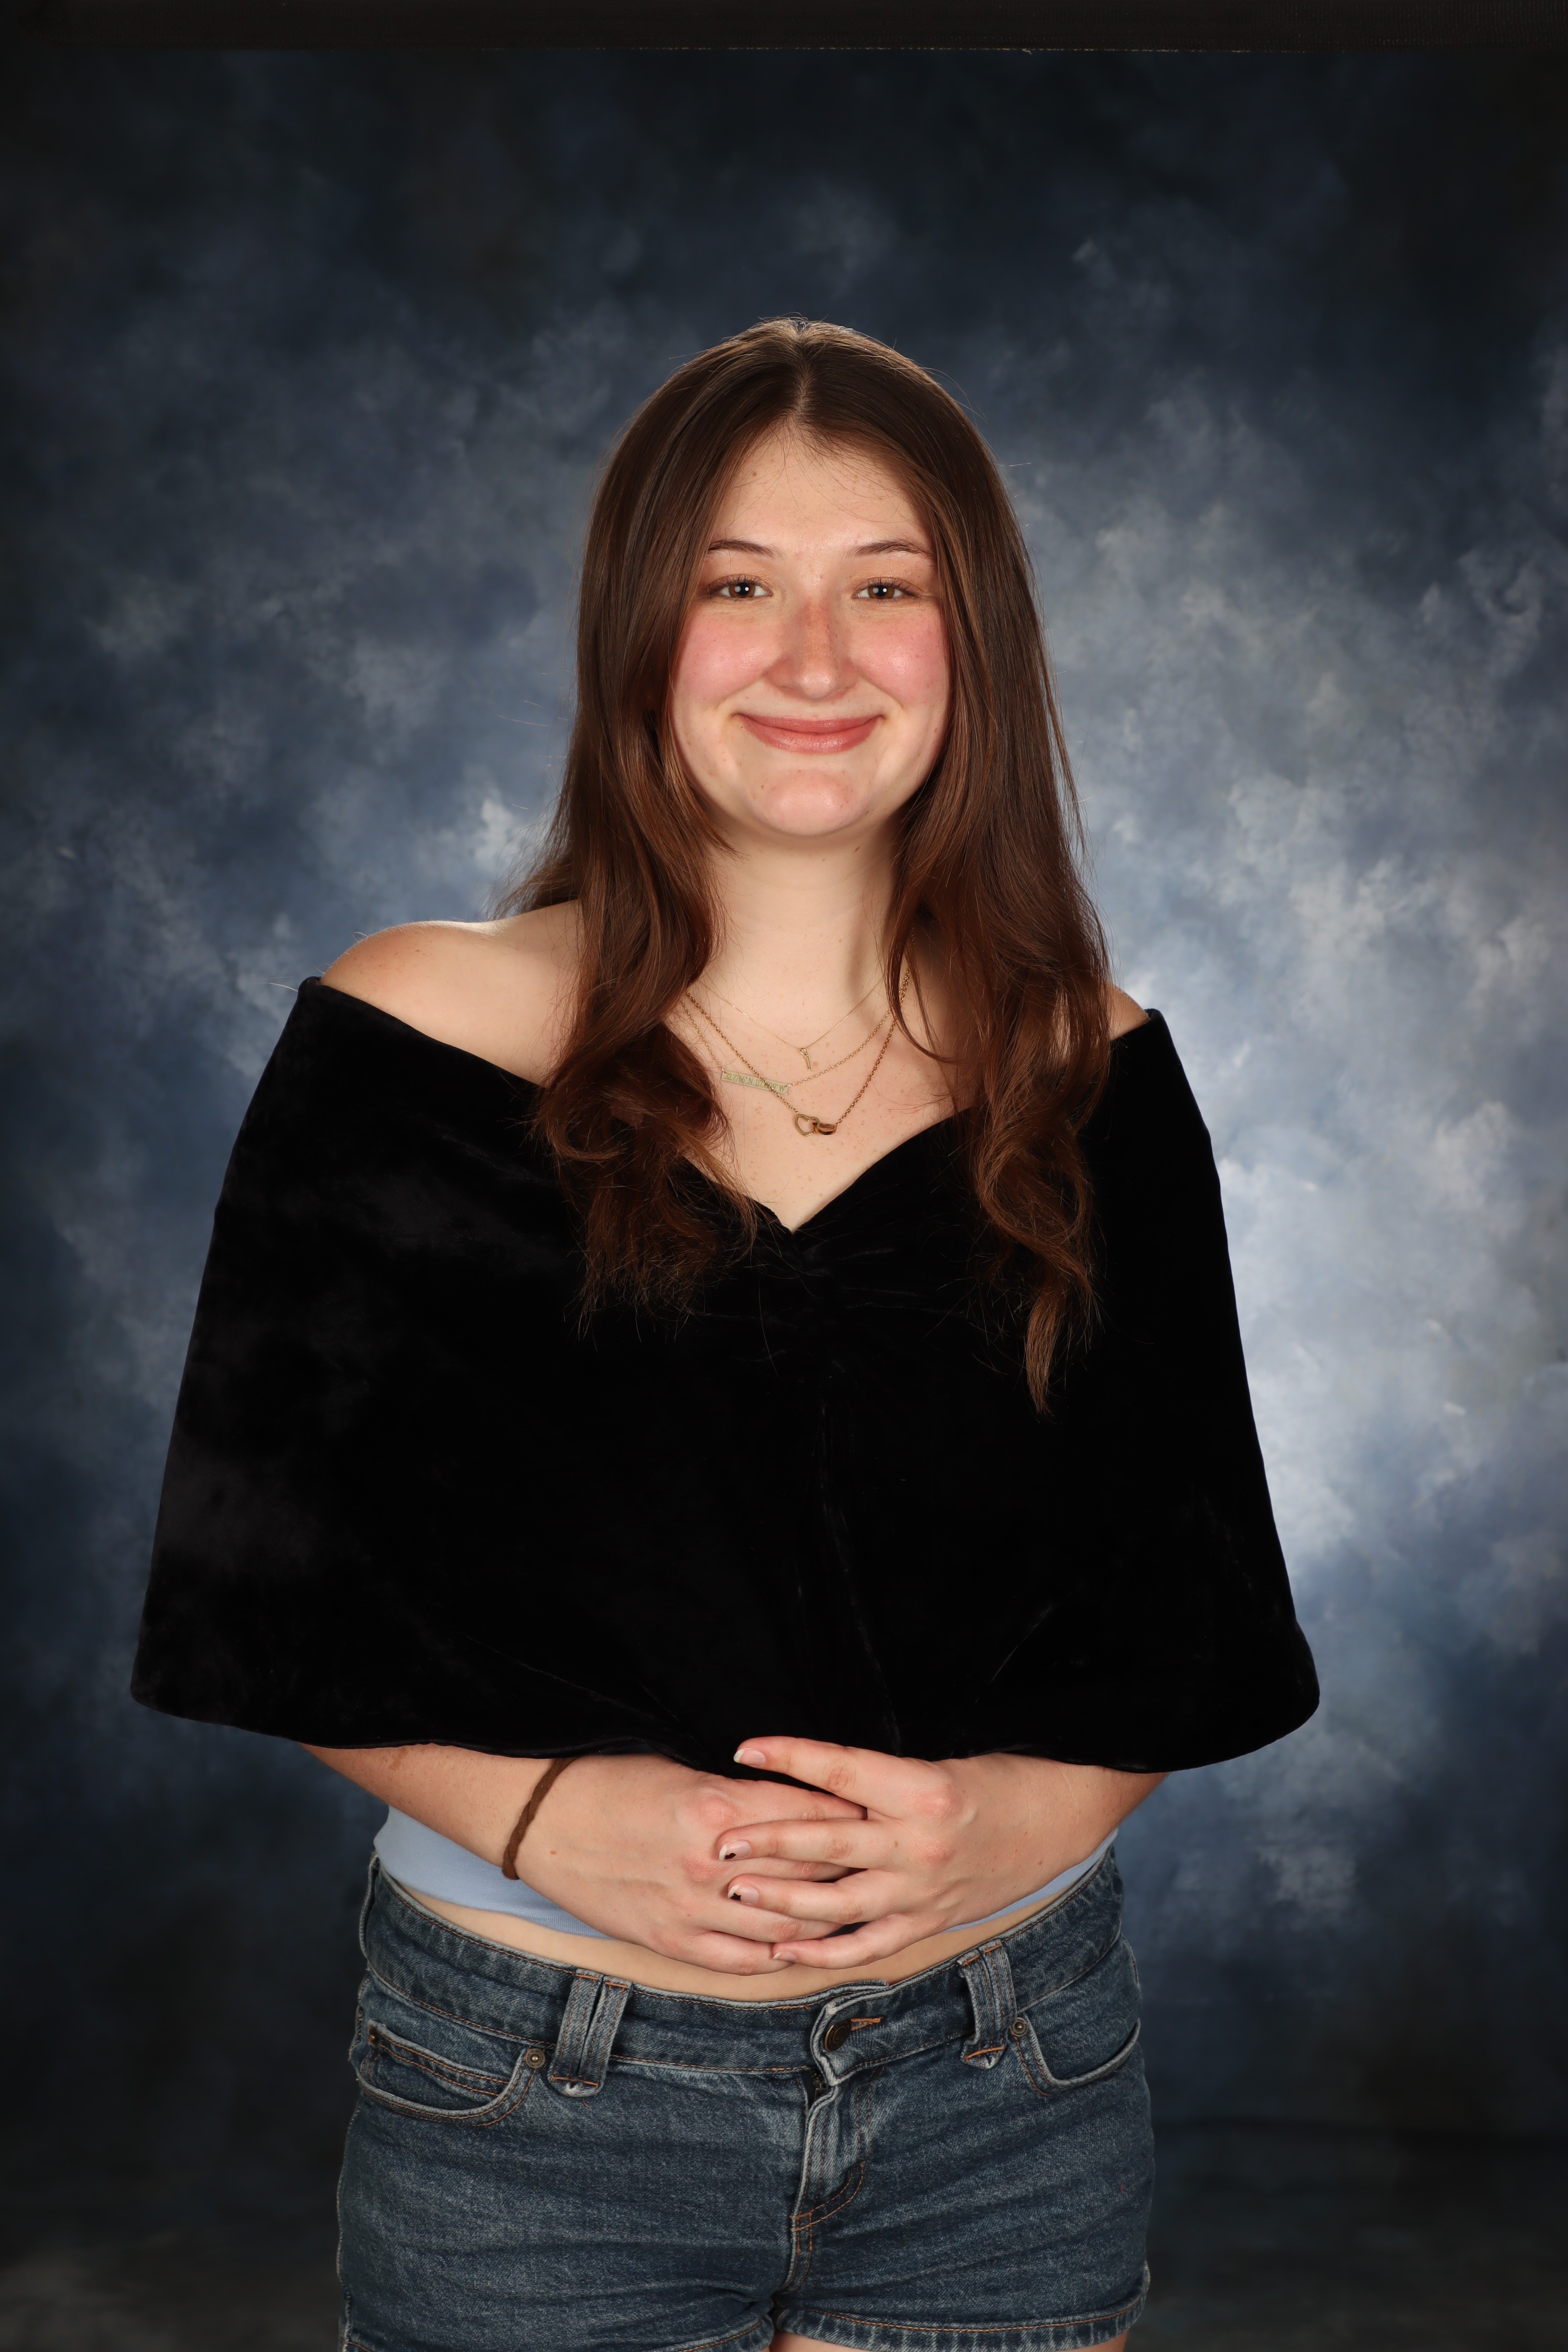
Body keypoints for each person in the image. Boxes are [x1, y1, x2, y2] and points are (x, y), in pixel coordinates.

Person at [132, 318, 1318, 2352]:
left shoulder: (1090, 1065)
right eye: (738, 587)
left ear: (974, 645)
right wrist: (547, 1820)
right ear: (636, 637)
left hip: (1007, 2089)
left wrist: (1003, 1834)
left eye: (886, 588)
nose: (815, 658)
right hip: (533, 2094)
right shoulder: (415, 1030)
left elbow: (1181, 1614)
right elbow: (261, 1589)